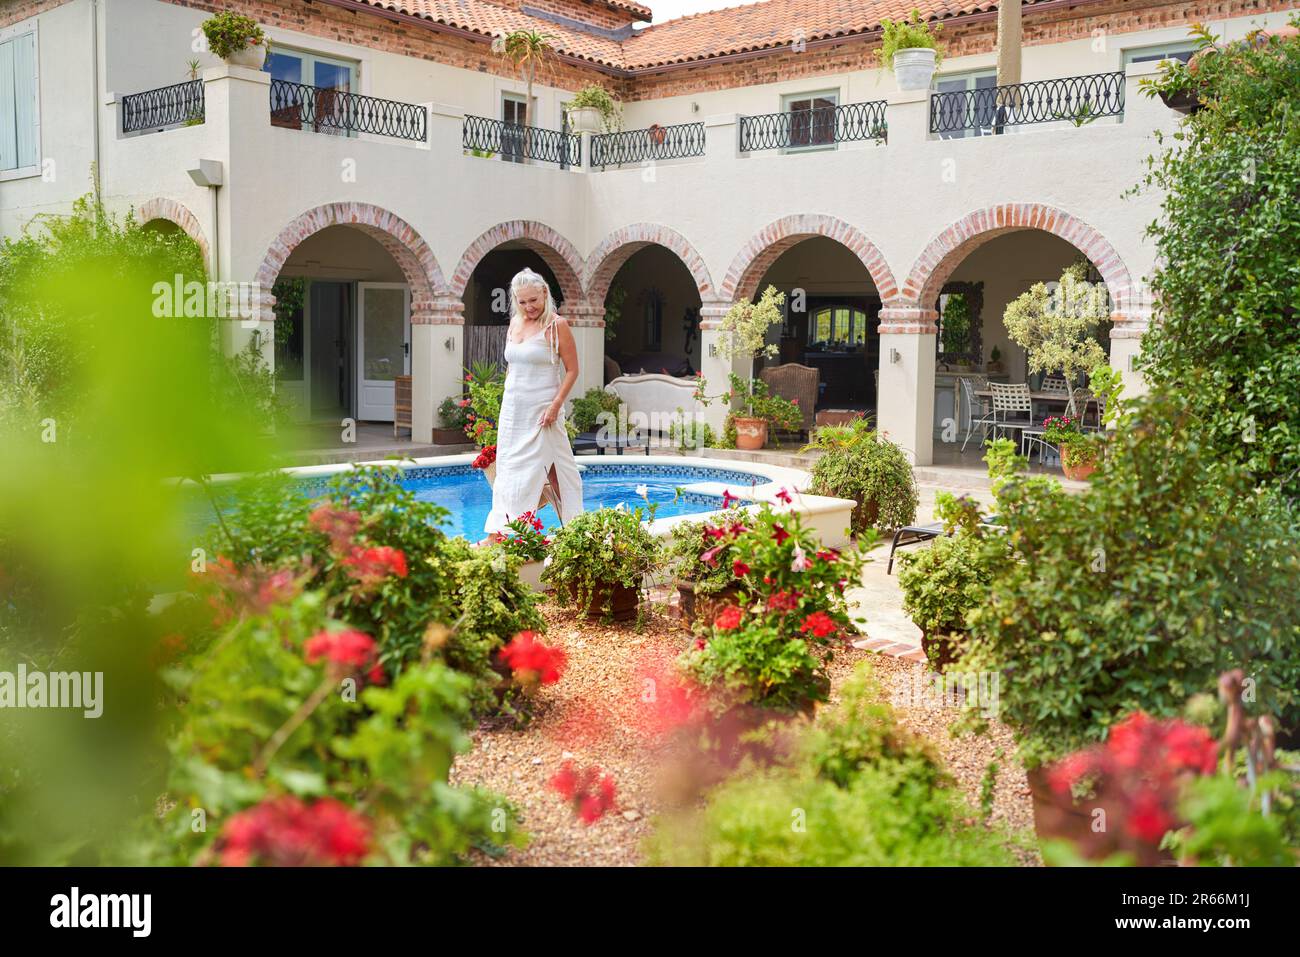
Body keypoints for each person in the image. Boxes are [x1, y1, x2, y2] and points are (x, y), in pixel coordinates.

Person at [481, 268, 584, 542]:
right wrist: (505, 403)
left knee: (559, 470)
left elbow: (572, 370)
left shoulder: (556, 326)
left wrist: (556, 405)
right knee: (508, 469)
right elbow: (512, 368)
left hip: (544, 411)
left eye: (533, 300)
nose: (529, 307)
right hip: (514, 410)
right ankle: (504, 529)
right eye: (523, 301)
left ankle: (574, 529)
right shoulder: (514, 324)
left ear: (545, 293)